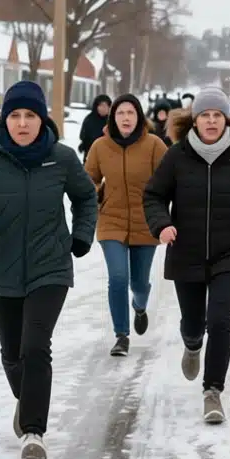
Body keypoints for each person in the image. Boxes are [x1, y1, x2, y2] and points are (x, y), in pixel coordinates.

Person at [0, 80, 98, 459]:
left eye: (31, 115)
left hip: (51, 268)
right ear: (4, 119)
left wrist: (82, 235)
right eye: (15, 115)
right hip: (0, 268)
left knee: (35, 346)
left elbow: (85, 197)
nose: (23, 123)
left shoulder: (61, 158)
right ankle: (28, 398)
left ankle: (34, 433)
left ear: (42, 119)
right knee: (13, 355)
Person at [143, 87, 230, 424]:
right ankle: (192, 344)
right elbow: (153, 195)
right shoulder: (177, 155)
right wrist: (162, 225)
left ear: (226, 119)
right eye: (205, 115)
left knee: (220, 319)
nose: (211, 121)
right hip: (187, 251)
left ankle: (213, 392)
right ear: (194, 120)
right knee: (194, 323)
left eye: (217, 115)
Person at [84, 94, 168, 356]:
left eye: (131, 112)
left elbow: (169, 179)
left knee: (140, 284)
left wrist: (164, 212)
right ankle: (121, 335)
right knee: (118, 277)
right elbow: (88, 179)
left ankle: (139, 306)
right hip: (111, 221)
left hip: (146, 221)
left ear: (139, 117)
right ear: (113, 117)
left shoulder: (154, 145)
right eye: (120, 113)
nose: (126, 118)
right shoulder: (100, 146)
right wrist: (95, 194)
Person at [77, 94, 111, 161]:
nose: (104, 108)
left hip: (109, 156)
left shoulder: (113, 120)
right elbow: (83, 136)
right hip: (91, 154)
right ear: (96, 107)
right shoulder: (89, 119)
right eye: (101, 105)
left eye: (106, 105)